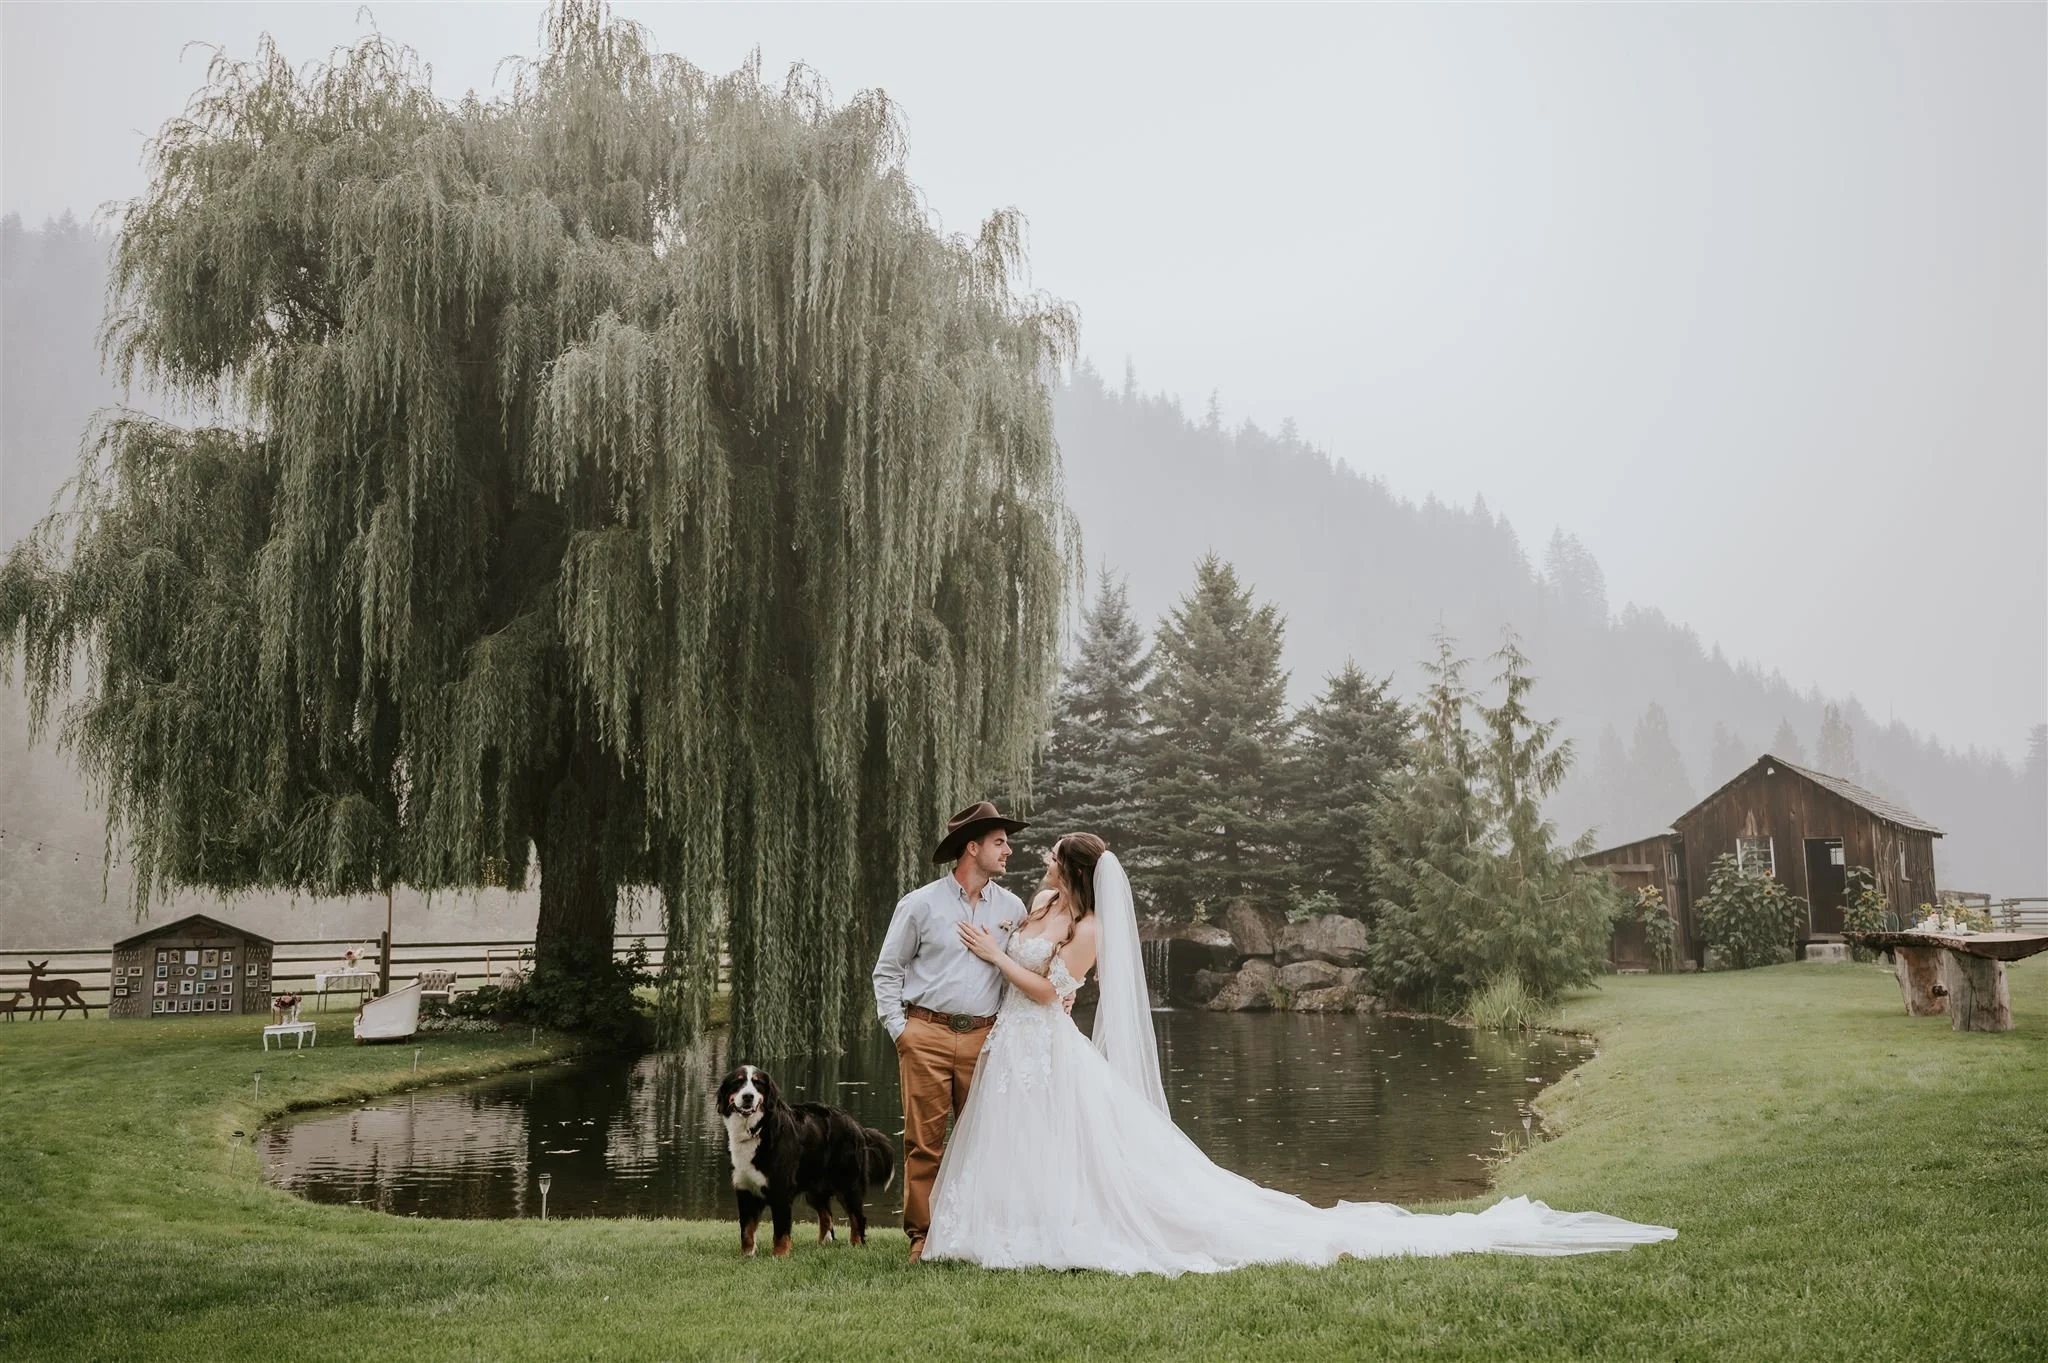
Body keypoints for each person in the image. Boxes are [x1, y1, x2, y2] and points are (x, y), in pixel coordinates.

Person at [919, 833, 1678, 1276]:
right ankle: (997, 1225)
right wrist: (995, 942)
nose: (1042, 861)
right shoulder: (1046, 906)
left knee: (1082, 1151)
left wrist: (995, 953)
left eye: (1052, 858)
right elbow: (1019, 953)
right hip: (1011, 1048)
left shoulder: (1086, 931)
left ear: (1074, 873)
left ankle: (1050, 1230)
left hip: (1043, 1041)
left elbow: (1053, 994)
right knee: (1031, 1147)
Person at [870, 800, 1029, 1264]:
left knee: (986, 1141)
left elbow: (1022, 968)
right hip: (927, 1035)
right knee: (924, 1143)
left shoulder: (1012, 908)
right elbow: (887, 972)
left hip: (985, 1039)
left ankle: (982, 1234)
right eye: (1000, 842)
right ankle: (922, 1237)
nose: (1009, 851)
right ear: (972, 847)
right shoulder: (920, 904)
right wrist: (901, 1031)